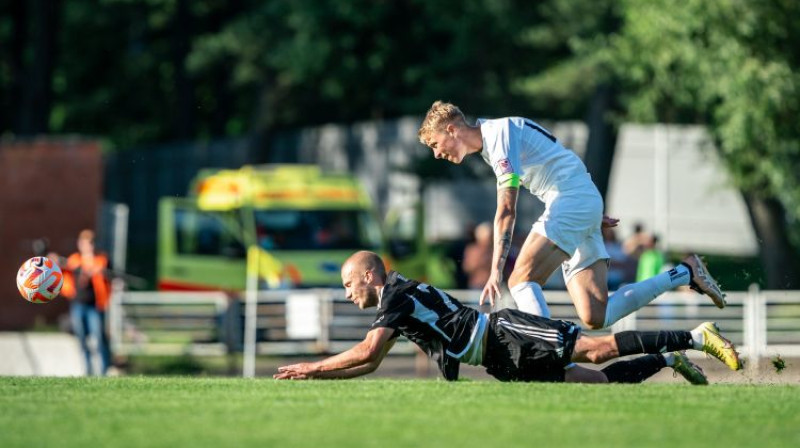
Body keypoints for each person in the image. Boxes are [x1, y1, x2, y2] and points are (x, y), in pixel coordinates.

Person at [416, 101, 725, 329]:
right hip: (577, 201)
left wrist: (495, 269)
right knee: (594, 316)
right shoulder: (492, 139)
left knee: (520, 278)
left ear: (452, 129)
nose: (436, 153)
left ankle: (548, 356)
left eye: (434, 144)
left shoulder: (497, 136)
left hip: (573, 201)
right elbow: (555, 161)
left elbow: (506, 210)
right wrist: (589, 210)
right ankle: (685, 272)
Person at [275, 251, 741, 384]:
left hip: (505, 332)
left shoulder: (394, 295)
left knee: (596, 347)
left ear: (370, 275)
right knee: (595, 385)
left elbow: (366, 351)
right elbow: (372, 364)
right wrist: (315, 378)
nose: (346, 291)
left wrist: (310, 366)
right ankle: (665, 361)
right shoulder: (394, 300)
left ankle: (696, 336)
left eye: (348, 283)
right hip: (499, 361)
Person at [59, 229, 113, 376]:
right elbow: (63, 269)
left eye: (91, 243)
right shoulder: (74, 260)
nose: (89, 246)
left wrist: (97, 271)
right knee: (82, 339)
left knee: (99, 339)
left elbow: (110, 276)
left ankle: (104, 371)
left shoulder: (102, 260)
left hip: (95, 306)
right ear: (80, 244)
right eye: (85, 243)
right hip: (78, 305)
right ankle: (88, 371)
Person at [462, 222, 493, 290]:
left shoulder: (494, 250)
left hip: (492, 284)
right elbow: (467, 268)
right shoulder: (472, 250)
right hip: (477, 285)